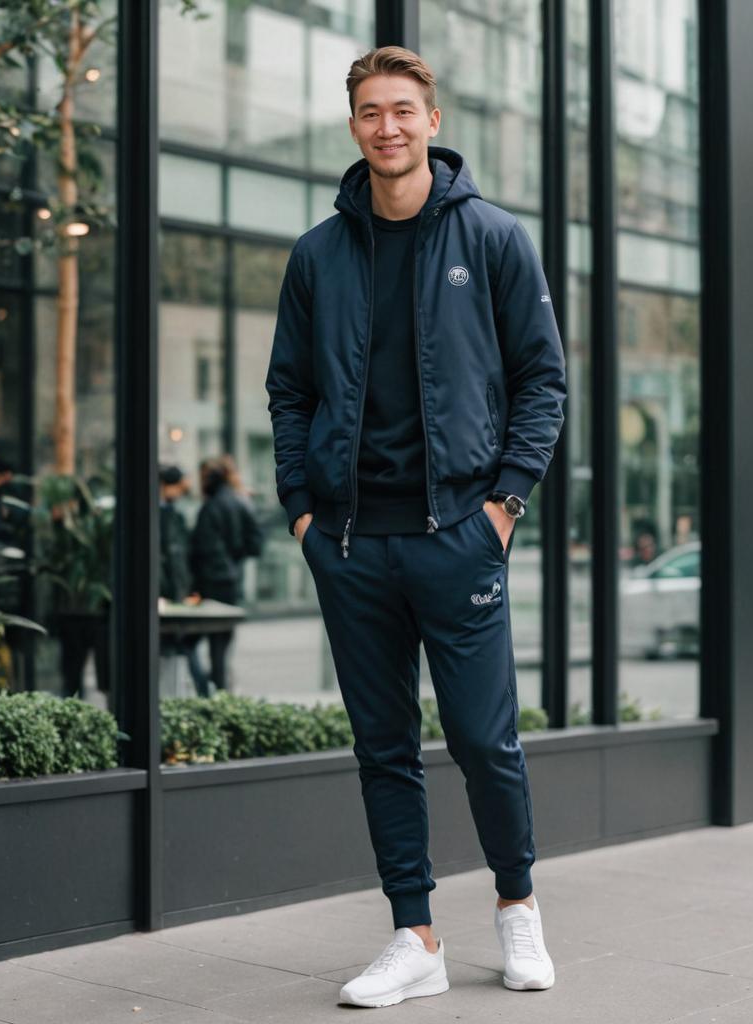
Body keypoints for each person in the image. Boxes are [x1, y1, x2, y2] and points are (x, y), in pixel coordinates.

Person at [264, 46, 566, 1007]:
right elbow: (289, 392)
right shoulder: (318, 253)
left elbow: (542, 381)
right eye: (368, 112)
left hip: (458, 538)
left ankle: (517, 910)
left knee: (485, 740)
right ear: (352, 126)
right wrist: (302, 512)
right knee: (382, 746)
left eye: (402, 110)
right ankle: (416, 936)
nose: (386, 127)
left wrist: (504, 507)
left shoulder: (494, 239)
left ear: (433, 120)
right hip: (351, 545)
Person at [189, 454, 264, 694]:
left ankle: (212, 691)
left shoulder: (210, 508)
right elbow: (255, 544)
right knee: (221, 644)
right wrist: (235, 558)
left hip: (211, 583)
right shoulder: (239, 502)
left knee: (200, 642)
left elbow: (203, 548)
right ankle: (219, 691)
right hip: (231, 581)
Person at [158, 464, 206, 691]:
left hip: (174, 592)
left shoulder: (171, 514)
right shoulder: (164, 515)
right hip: (168, 593)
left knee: (183, 648)